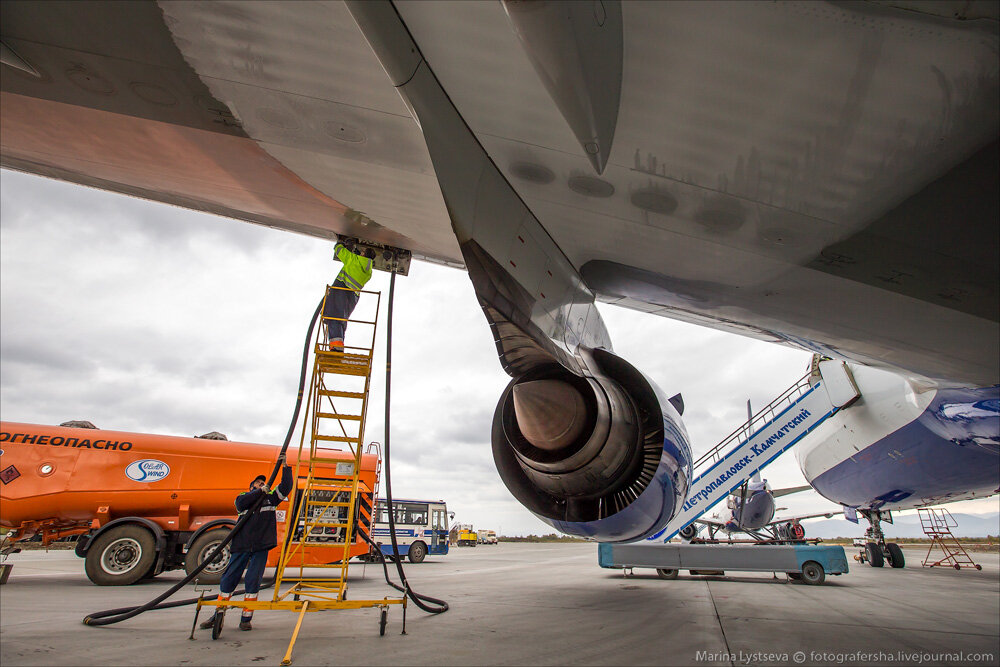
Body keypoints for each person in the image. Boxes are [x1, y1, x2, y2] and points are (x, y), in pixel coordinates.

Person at [200, 456, 293, 632]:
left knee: (253, 581)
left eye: (263, 483)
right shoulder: (243, 498)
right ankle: (218, 613)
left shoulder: (271, 499)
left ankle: (246, 618)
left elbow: (286, 487)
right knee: (229, 579)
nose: (261, 485)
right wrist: (259, 492)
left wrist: (285, 467)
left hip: (260, 546)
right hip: (242, 545)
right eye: (258, 483)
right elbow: (242, 502)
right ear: (251, 486)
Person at [325, 237, 375, 353]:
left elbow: (339, 251)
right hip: (352, 297)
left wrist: (340, 243)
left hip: (340, 291)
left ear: (363, 255)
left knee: (334, 318)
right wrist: (355, 253)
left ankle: (336, 347)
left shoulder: (353, 260)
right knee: (341, 320)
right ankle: (338, 346)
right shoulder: (368, 271)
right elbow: (356, 263)